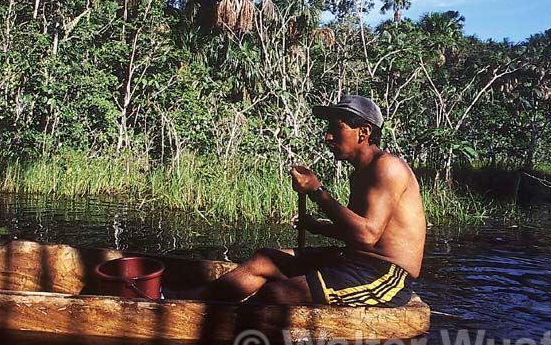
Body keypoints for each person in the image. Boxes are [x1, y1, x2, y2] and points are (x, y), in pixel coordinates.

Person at [169, 95, 426, 307]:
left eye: (336, 128)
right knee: (263, 260)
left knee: (277, 295)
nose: (327, 137)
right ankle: (186, 303)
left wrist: (317, 192)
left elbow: (368, 236)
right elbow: (359, 233)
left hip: (386, 274)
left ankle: (243, 333)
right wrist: (316, 226)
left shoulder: (387, 168)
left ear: (364, 132)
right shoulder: (360, 172)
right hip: (353, 260)